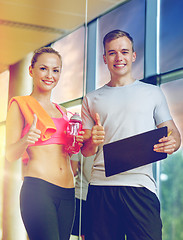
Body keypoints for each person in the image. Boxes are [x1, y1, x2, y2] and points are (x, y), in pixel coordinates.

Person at [81, 30, 181, 240]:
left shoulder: (152, 93)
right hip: (101, 189)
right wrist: (93, 139)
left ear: (133, 56)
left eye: (124, 52)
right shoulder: (91, 99)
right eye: (112, 53)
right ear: (104, 58)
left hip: (141, 186)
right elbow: (87, 151)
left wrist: (173, 142)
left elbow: (173, 133)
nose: (119, 58)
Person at [5, 47, 84, 240]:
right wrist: (25, 141)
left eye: (55, 70)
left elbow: (72, 153)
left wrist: (81, 140)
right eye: (43, 68)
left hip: (67, 193)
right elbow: (9, 154)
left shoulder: (65, 113)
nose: (50, 75)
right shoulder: (20, 104)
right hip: (38, 191)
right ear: (31, 71)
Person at [70, 152, 95, 240]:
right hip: (100, 194)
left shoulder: (78, 141)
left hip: (82, 194)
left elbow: (72, 171)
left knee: (84, 234)